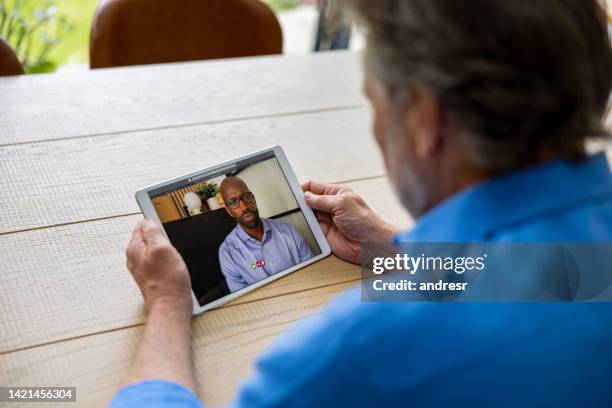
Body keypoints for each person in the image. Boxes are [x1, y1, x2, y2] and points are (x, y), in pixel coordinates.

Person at [113, 0, 612, 406]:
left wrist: (167, 302)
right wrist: (394, 251)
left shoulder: (362, 347)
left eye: (376, 105)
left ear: (423, 122)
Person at [217, 176, 313, 292]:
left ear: (253, 199)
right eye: (233, 202)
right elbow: (244, 299)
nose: (244, 206)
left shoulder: (288, 231)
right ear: (228, 211)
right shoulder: (227, 253)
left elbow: (312, 271)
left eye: (246, 197)